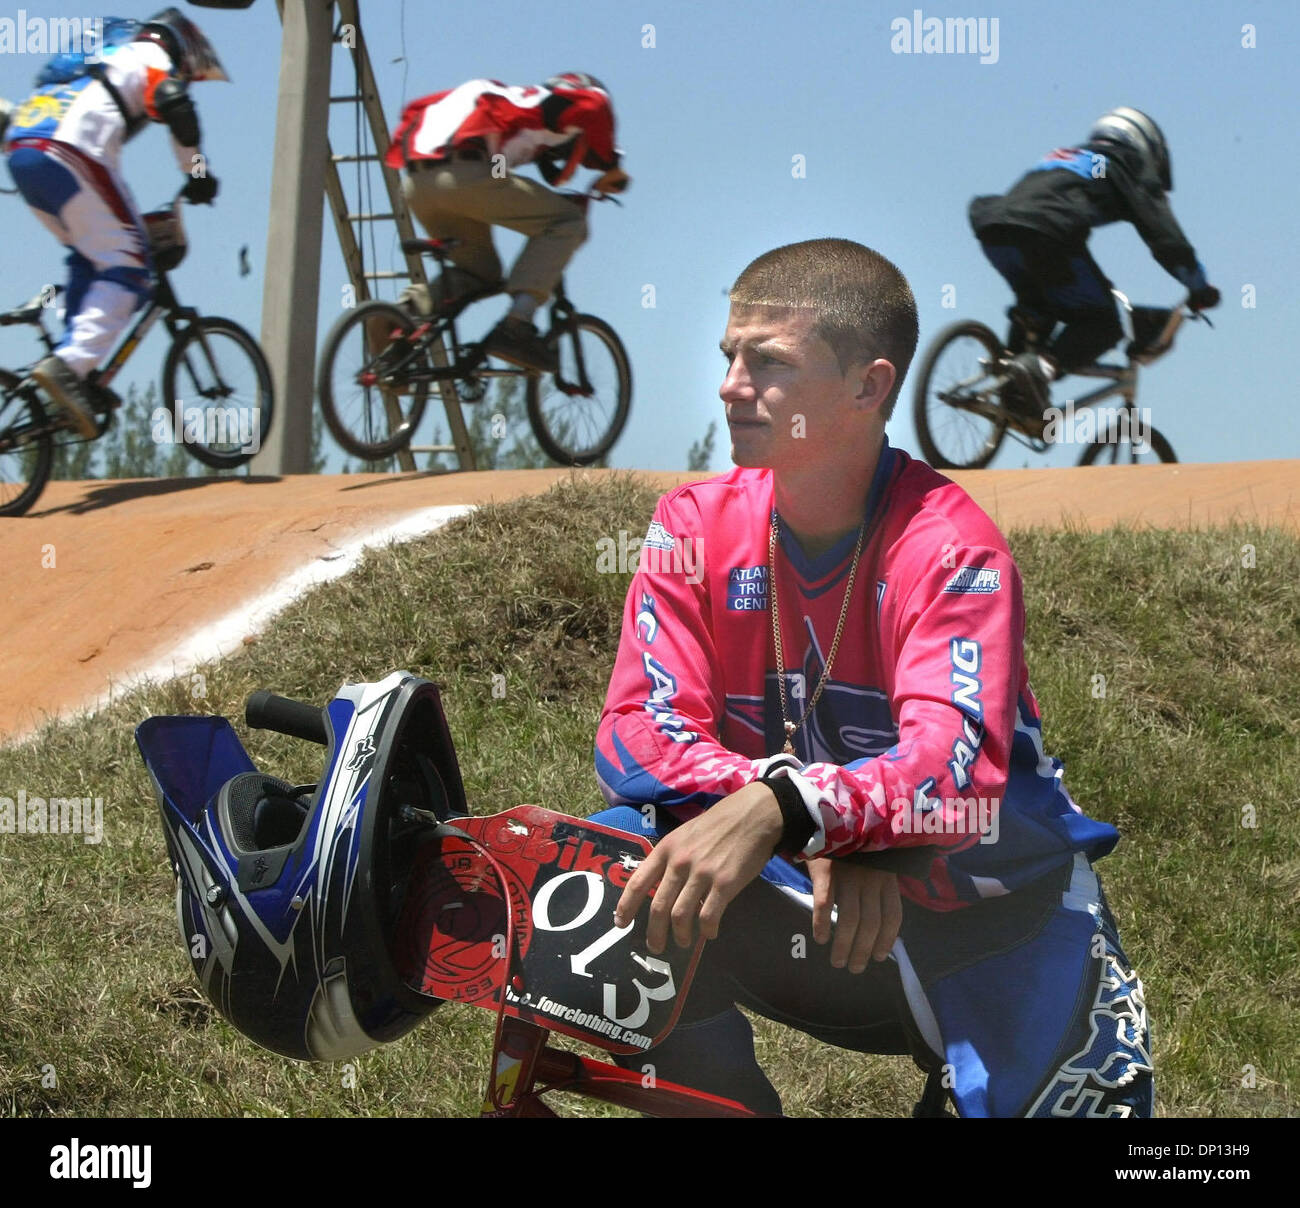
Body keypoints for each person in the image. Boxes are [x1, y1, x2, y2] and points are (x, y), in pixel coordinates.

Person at [590, 238, 1153, 1118]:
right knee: (598, 864)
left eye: (768, 362)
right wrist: (819, 828)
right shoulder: (689, 526)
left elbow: (955, 773)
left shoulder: (953, 547)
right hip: (813, 911)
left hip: (999, 924)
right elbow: (637, 732)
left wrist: (806, 815)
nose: (732, 384)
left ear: (869, 386)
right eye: (729, 357)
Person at [2, 8, 226, 439]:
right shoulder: (148, 56)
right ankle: (70, 366)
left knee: (92, 256)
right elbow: (176, 106)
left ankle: (74, 369)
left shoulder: (101, 59)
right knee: (129, 266)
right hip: (70, 149)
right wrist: (198, 175)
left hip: (23, 152)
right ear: (180, 47)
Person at [969, 107, 1219, 420]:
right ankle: (1042, 368)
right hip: (1047, 235)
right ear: (1144, 143)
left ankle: (1011, 384)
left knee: (1039, 310)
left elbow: (1033, 206)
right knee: (1102, 324)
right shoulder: (1127, 163)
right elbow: (1163, 234)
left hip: (995, 231)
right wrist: (1198, 284)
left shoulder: (1064, 156)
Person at [384, 74, 629, 374]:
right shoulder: (574, 98)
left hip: (417, 184)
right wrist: (612, 167)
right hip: (464, 175)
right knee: (568, 221)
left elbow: (499, 174)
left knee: (481, 272)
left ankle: (403, 316)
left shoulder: (510, 107)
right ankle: (517, 324)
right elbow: (595, 106)